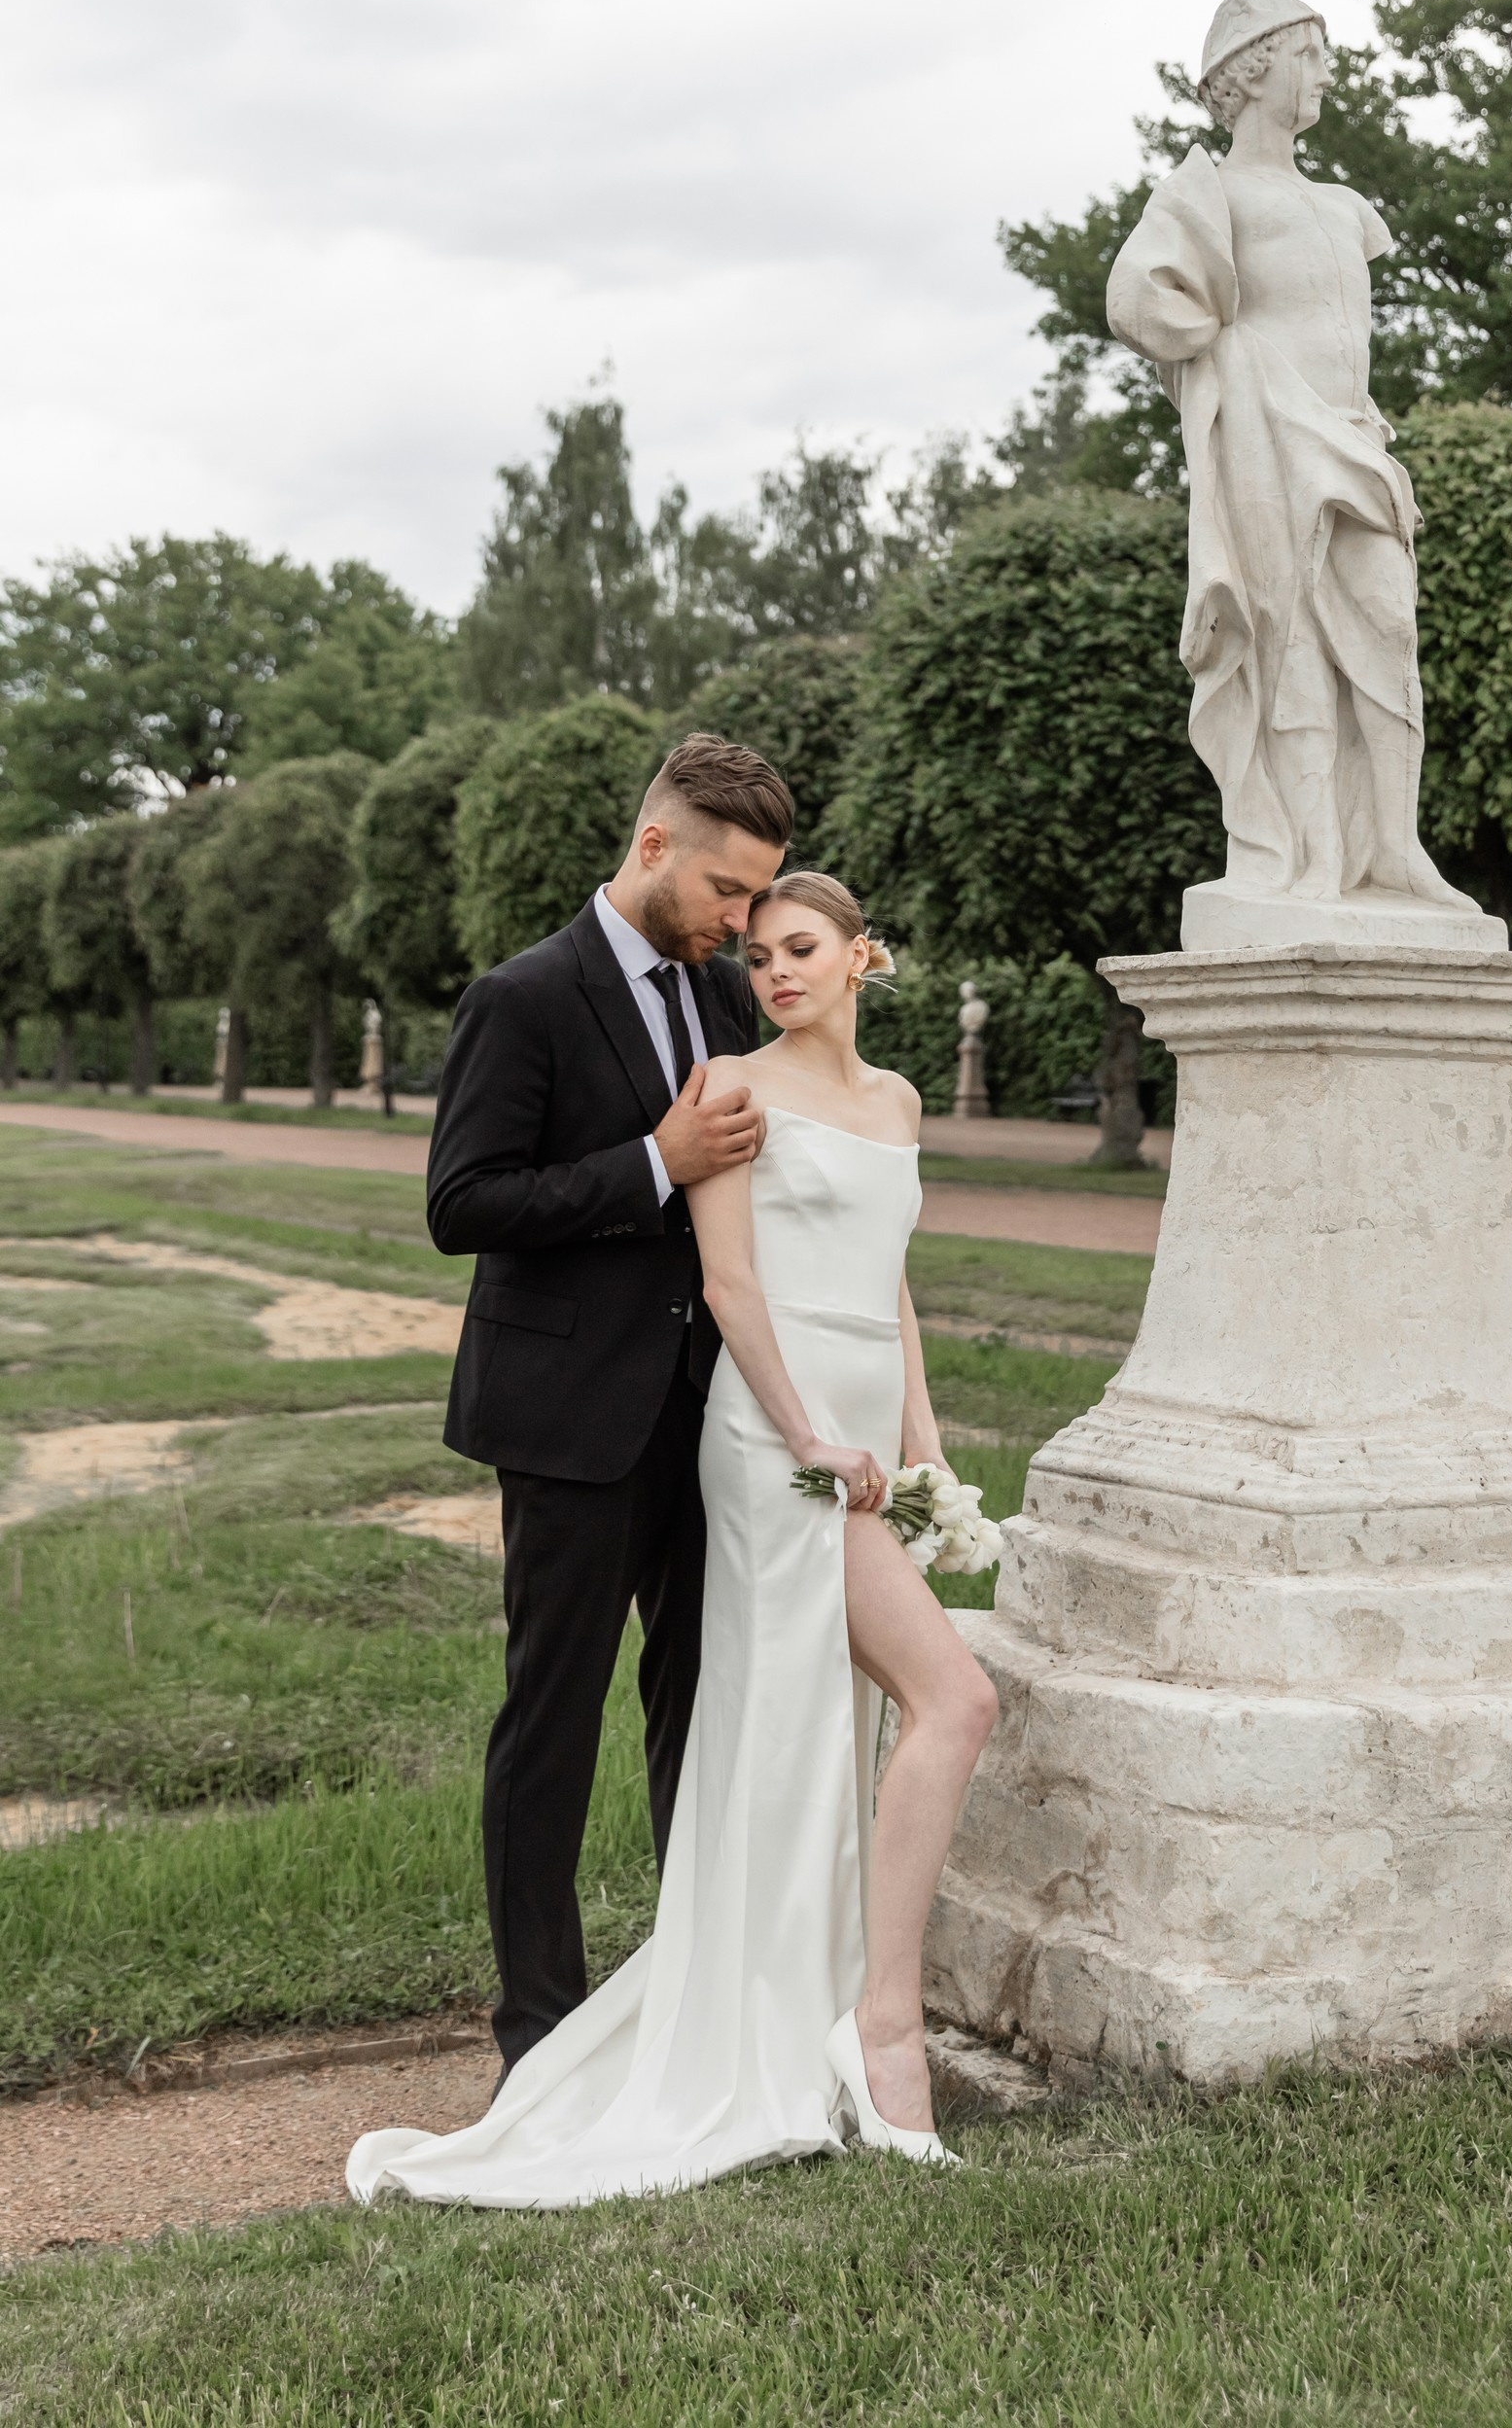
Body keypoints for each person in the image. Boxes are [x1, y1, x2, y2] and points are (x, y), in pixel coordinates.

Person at [348, 870, 997, 2204]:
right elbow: (727, 1281)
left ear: (863, 956)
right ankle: (878, 2030)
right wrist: (811, 1433)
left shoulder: (900, 1103)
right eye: (757, 952)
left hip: (871, 1440)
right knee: (948, 1700)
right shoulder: (727, 1087)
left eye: (799, 948)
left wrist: (923, 1442)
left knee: (830, 1726)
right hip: (780, 1442)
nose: (771, 971)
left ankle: (821, 2006)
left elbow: (893, 1286)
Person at [421, 731, 792, 2084]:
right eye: (729, 894)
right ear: (654, 849)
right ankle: (540, 2035)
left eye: (760, 899)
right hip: (566, 1421)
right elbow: (462, 1205)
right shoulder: (519, 999)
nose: (744, 925)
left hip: (706, 1416)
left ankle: (689, 2003)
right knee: (552, 1719)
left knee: (700, 1707)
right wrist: (654, 1161)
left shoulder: (721, 1000)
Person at [1107, 0, 1476, 915]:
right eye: (1310, 53)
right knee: (1291, 644)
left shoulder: (1347, 207)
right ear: (1255, 66)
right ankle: (1312, 856)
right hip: (1269, 446)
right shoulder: (1208, 192)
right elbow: (1139, 304)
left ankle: (1392, 848)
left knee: (1391, 630)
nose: (1324, 72)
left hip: (1351, 442)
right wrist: (1236, 368)